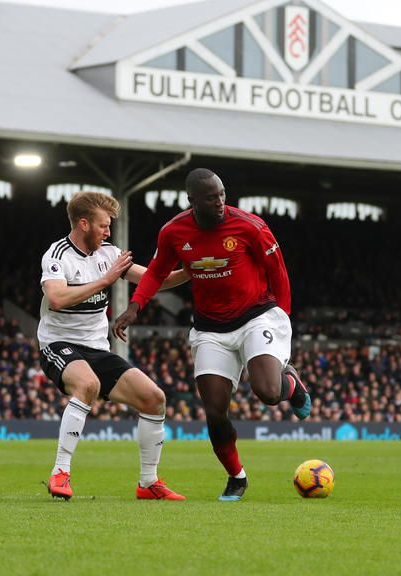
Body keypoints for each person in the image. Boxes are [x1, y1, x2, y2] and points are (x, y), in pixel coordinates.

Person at [114, 168, 310, 502]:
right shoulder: (174, 232)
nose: (219, 202)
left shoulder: (250, 226)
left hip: (256, 316)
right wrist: (135, 306)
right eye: (211, 197)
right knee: (215, 410)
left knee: (267, 391)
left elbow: (278, 271)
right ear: (192, 200)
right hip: (209, 328)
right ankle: (237, 477)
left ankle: (289, 383)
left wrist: (283, 319)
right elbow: (157, 271)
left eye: (222, 194)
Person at [39, 191, 190, 501]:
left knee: (153, 398)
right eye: (103, 226)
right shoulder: (57, 256)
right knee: (88, 384)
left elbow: (154, 280)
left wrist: (193, 269)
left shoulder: (109, 254)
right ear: (83, 224)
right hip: (59, 343)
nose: (108, 232)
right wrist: (105, 281)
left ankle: (148, 483)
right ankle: (60, 473)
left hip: (97, 349)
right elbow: (56, 299)